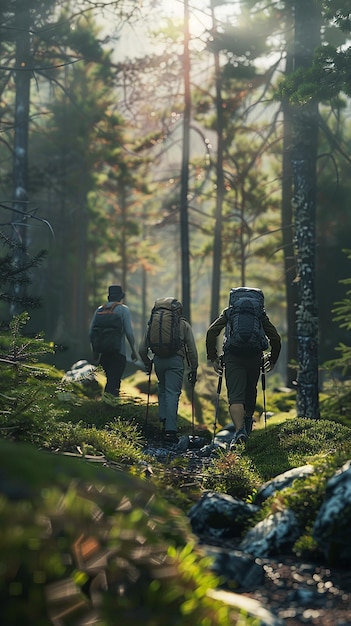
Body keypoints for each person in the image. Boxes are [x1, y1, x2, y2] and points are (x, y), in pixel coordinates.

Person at [206, 291, 281, 447]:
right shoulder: (260, 314)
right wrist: (272, 359)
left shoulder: (230, 312)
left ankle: (239, 432)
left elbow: (211, 332)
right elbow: (275, 338)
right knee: (250, 390)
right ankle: (247, 424)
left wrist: (213, 357)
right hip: (254, 357)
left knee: (235, 397)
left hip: (233, 357)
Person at [139, 299, 198, 444]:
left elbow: (141, 349)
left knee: (162, 387)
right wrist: (194, 368)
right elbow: (192, 349)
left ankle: (164, 419)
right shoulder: (183, 324)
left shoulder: (152, 325)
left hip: (158, 361)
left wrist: (148, 363)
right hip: (175, 361)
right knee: (173, 393)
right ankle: (170, 431)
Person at [89, 285, 138, 396]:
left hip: (104, 354)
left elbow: (91, 332)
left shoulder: (100, 309)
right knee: (114, 382)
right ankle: (110, 407)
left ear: (108, 297)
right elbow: (129, 332)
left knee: (110, 380)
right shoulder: (123, 310)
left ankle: (108, 405)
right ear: (121, 297)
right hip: (118, 353)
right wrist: (134, 351)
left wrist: (95, 352)